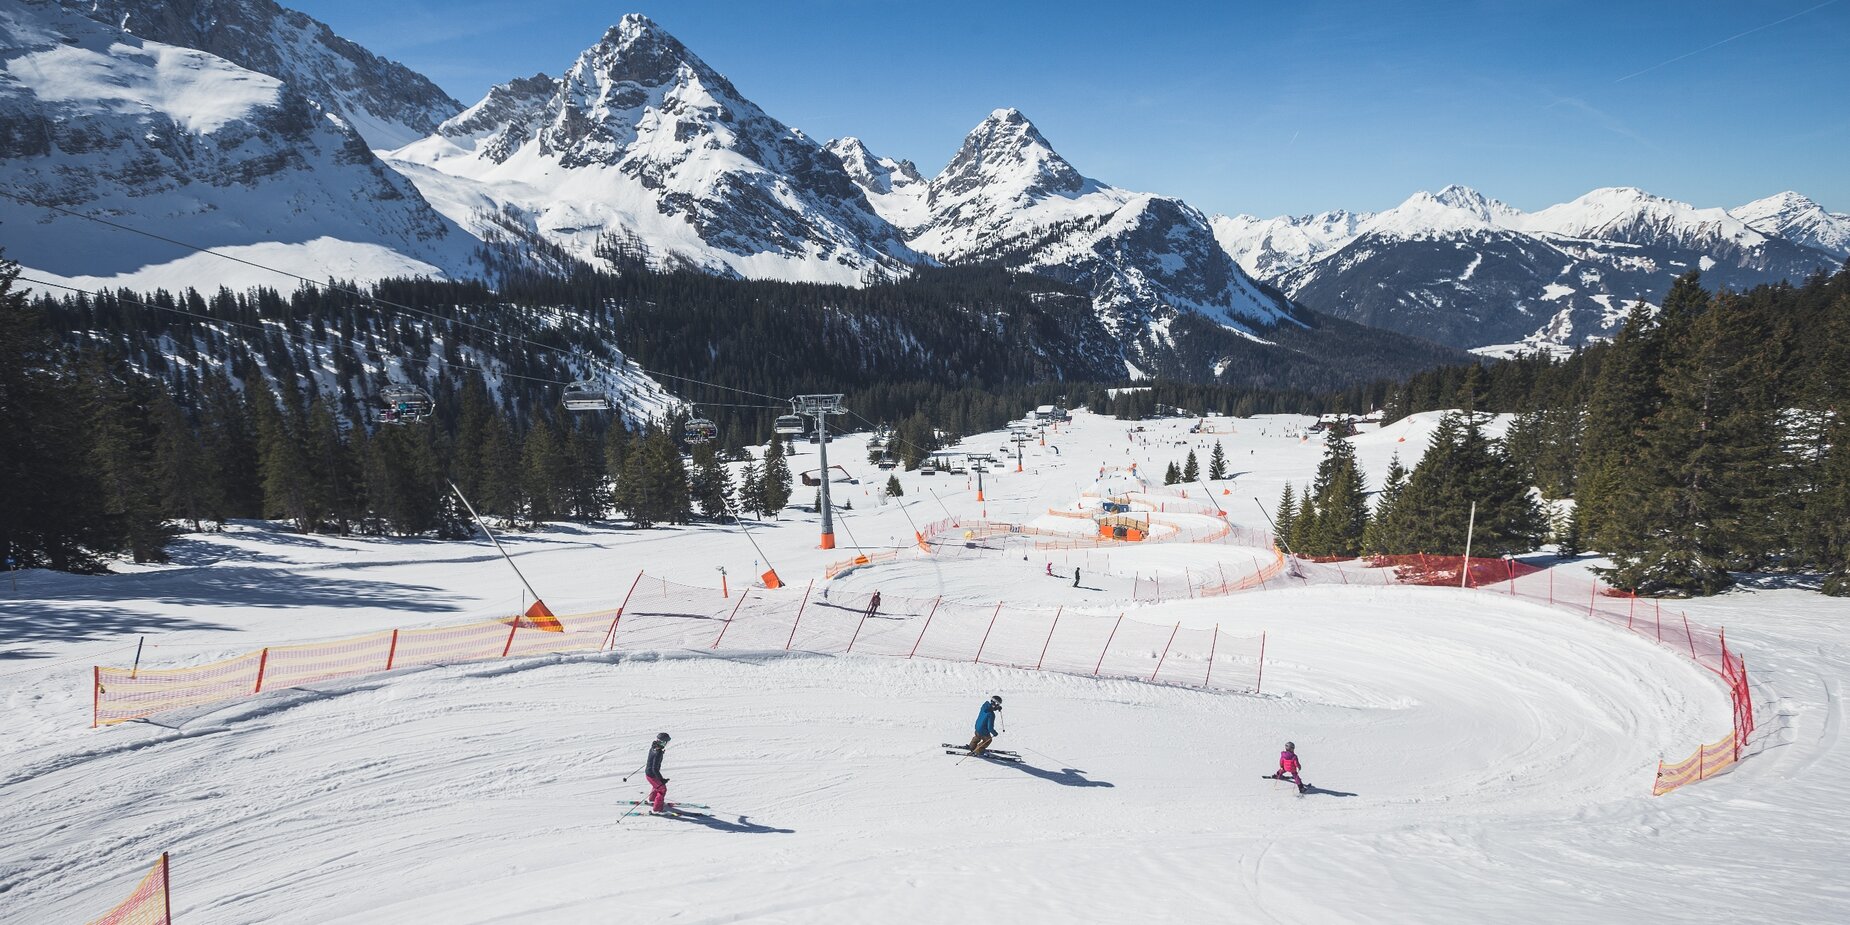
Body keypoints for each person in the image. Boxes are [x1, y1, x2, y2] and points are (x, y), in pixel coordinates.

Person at [645, 732, 672, 813]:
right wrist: (662, 780)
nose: (666, 744)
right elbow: (655, 769)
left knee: (656, 786)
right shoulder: (658, 752)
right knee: (662, 789)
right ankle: (657, 809)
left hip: (648, 773)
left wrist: (660, 753)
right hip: (652, 774)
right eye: (666, 742)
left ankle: (652, 800)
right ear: (663, 742)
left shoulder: (653, 747)